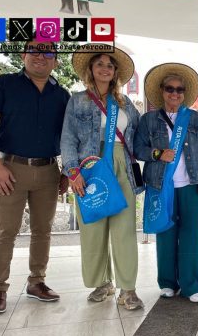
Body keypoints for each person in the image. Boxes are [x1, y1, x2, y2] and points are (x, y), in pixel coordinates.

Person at [0, 41, 70, 314]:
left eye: (48, 52)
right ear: (23, 55)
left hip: (49, 170)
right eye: (34, 51)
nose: (41, 56)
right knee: (6, 231)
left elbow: (68, 137)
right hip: (11, 169)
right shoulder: (3, 84)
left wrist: (66, 171)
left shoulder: (62, 95)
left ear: (55, 60)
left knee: (43, 230)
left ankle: (37, 282)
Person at [60, 45, 144, 310]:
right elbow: (68, 138)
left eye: (110, 65)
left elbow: (139, 136)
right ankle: (102, 283)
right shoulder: (78, 100)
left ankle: (128, 288)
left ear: (115, 72)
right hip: (90, 167)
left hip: (121, 165)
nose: (105, 69)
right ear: (91, 69)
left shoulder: (125, 103)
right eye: (100, 64)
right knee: (94, 229)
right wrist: (73, 172)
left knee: (124, 229)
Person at [134, 63, 198, 303]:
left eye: (179, 90)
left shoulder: (194, 118)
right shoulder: (149, 119)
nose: (175, 93)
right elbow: (138, 149)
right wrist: (158, 154)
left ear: (184, 93)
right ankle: (168, 283)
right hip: (160, 185)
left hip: (190, 184)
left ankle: (192, 285)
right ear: (162, 90)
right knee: (165, 233)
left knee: (190, 234)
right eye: (170, 88)